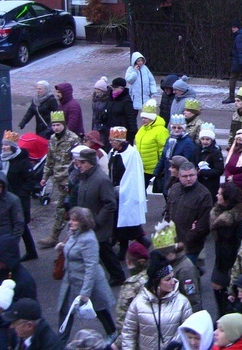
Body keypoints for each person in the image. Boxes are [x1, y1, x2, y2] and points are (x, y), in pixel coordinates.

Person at [55, 207, 117, 344]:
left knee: (99, 310)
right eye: (70, 219)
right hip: (71, 280)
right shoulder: (73, 233)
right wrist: (61, 247)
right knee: (65, 310)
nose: (70, 222)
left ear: (83, 222)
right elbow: (70, 247)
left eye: (74, 220)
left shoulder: (89, 239)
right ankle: (61, 341)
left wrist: (85, 292)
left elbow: (91, 266)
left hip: (88, 282)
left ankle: (112, 333)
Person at [73, 148, 126, 286]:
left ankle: (118, 275)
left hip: (98, 224)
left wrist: (97, 222)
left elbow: (110, 204)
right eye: (78, 162)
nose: (79, 165)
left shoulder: (101, 179)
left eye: (82, 162)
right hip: (87, 222)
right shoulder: (85, 176)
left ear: (90, 162)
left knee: (104, 251)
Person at [122, 251, 193, 349]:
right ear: (156, 281)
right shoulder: (138, 303)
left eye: (172, 277)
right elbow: (128, 334)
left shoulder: (182, 302)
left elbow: (188, 331)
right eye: (167, 279)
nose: (173, 282)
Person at [37, 111, 80, 248]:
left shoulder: (73, 139)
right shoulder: (53, 139)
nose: (56, 128)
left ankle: (56, 237)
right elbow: (49, 159)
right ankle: (62, 236)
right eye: (54, 125)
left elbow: (77, 163)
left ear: (64, 125)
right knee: (63, 209)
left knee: (64, 209)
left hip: (69, 181)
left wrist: (72, 182)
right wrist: (45, 177)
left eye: (58, 125)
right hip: (58, 181)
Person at [108, 127, 150, 258]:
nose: (110, 143)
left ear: (120, 141)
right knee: (119, 222)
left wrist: (123, 190)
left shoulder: (132, 154)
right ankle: (129, 244)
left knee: (126, 223)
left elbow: (133, 176)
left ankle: (127, 247)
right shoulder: (113, 152)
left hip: (127, 193)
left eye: (113, 140)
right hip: (116, 192)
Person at [210, 182, 242, 313]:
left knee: (236, 291)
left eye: (219, 194)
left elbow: (241, 241)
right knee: (216, 285)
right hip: (221, 257)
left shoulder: (240, 217)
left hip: (233, 258)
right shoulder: (218, 210)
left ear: (227, 198)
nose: (217, 195)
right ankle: (222, 313)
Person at [165, 162, 212, 265]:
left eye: (192, 175)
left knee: (187, 274)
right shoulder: (174, 189)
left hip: (190, 247)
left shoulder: (204, 195)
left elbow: (203, 226)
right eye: (185, 176)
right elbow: (168, 211)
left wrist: (183, 243)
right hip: (172, 242)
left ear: (196, 174)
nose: (189, 179)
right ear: (178, 176)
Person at [0, 131, 37, 260]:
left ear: (13, 146)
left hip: (20, 200)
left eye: (6, 145)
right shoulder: (3, 159)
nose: (4, 147)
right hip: (7, 198)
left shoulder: (22, 161)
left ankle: (18, 254)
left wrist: (20, 194)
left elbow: (31, 180)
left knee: (19, 226)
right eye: (3, 145)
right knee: (19, 226)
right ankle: (31, 252)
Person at [112, 242, 149, 349]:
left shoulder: (131, 285)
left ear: (128, 262)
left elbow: (124, 318)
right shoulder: (154, 278)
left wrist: (117, 343)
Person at [153, 114, 196, 199]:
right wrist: (156, 172)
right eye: (174, 127)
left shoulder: (188, 143)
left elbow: (188, 163)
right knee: (167, 196)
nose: (176, 130)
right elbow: (163, 157)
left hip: (178, 178)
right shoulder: (169, 139)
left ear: (183, 128)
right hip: (168, 175)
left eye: (179, 128)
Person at [136, 99, 171, 185]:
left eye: (146, 118)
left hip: (153, 168)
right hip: (142, 166)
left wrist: (161, 167)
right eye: (142, 118)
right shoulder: (143, 128)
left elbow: (163, 149)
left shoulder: (161, 130)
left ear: (152, 118)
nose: (143, 120)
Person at [225, 21, 242, 104]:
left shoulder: (238, 37)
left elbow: (241, 50)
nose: (232, 29)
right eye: (232, 27)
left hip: (238, 61)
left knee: (232, 79)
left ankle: (231, 97)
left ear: (237, 28)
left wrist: (241, 62)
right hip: (241, 61)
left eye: (234, 27)